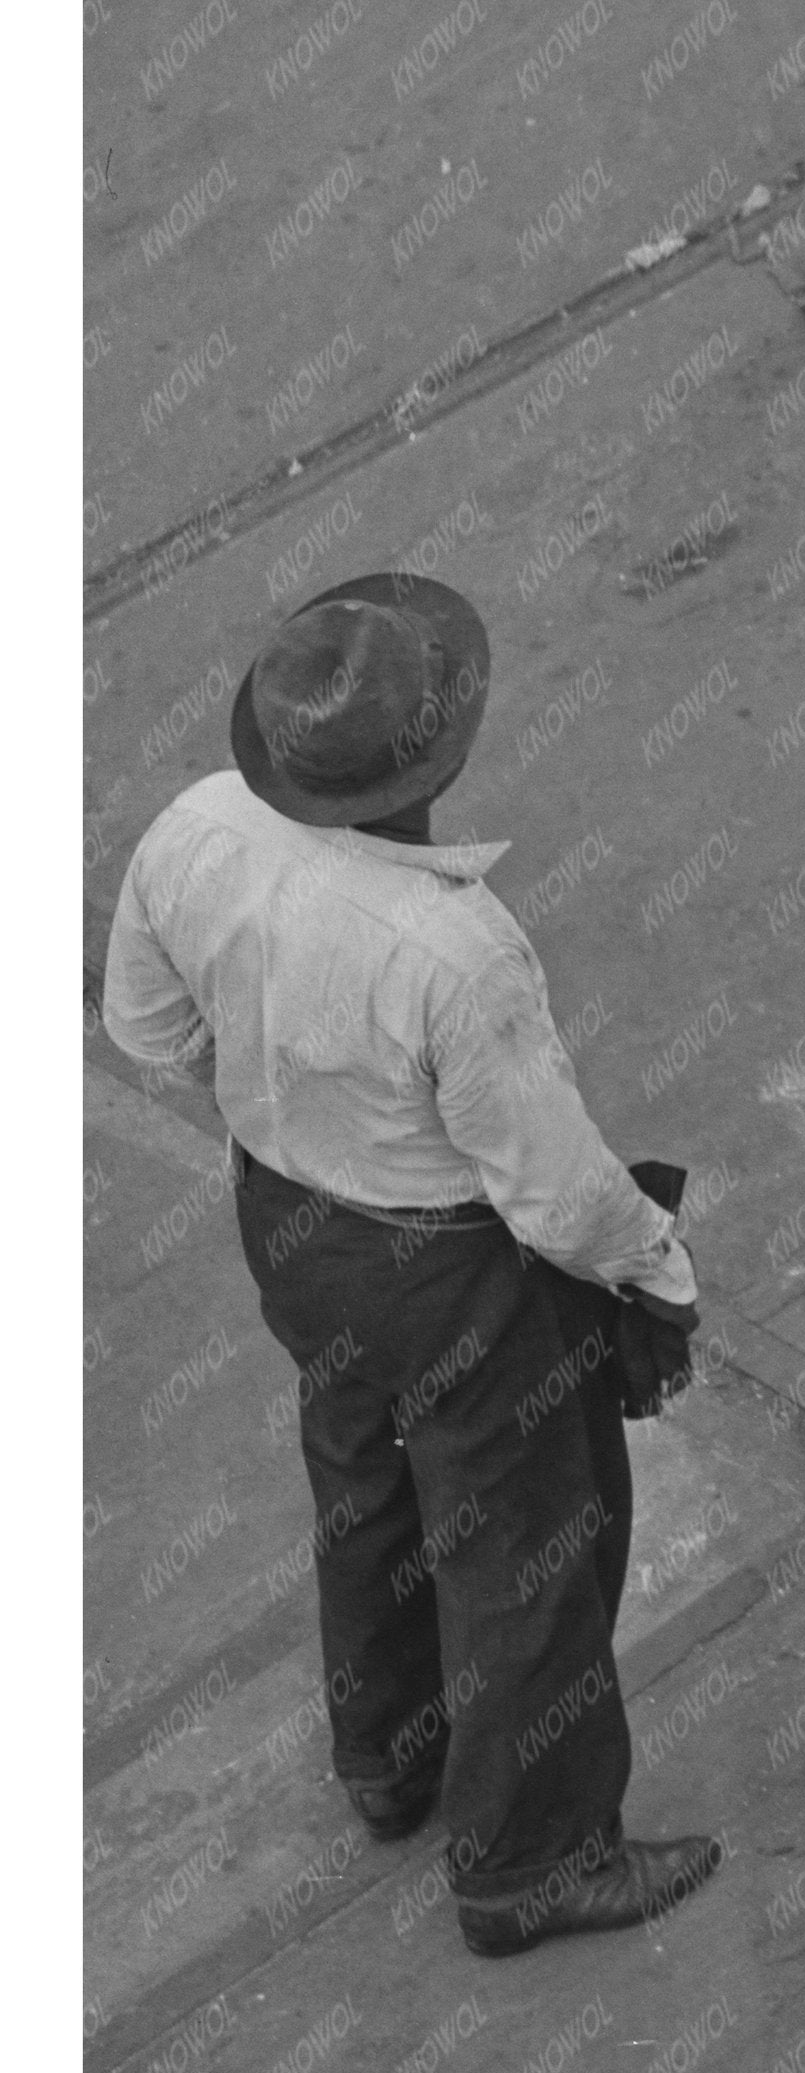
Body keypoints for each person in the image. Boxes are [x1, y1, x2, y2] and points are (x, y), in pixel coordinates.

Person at [95, 573, 721, 1957]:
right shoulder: (458, 949)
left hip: (294, 1232)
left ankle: (388, 1759)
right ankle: (532, 1863)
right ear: (441, 753)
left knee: (362, 1479)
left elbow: (146, 1030)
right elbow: (552, 1192)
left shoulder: (195, 827)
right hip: (453, 1275)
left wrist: (286, 1112)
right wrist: (658, 1270)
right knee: (524, 1552)